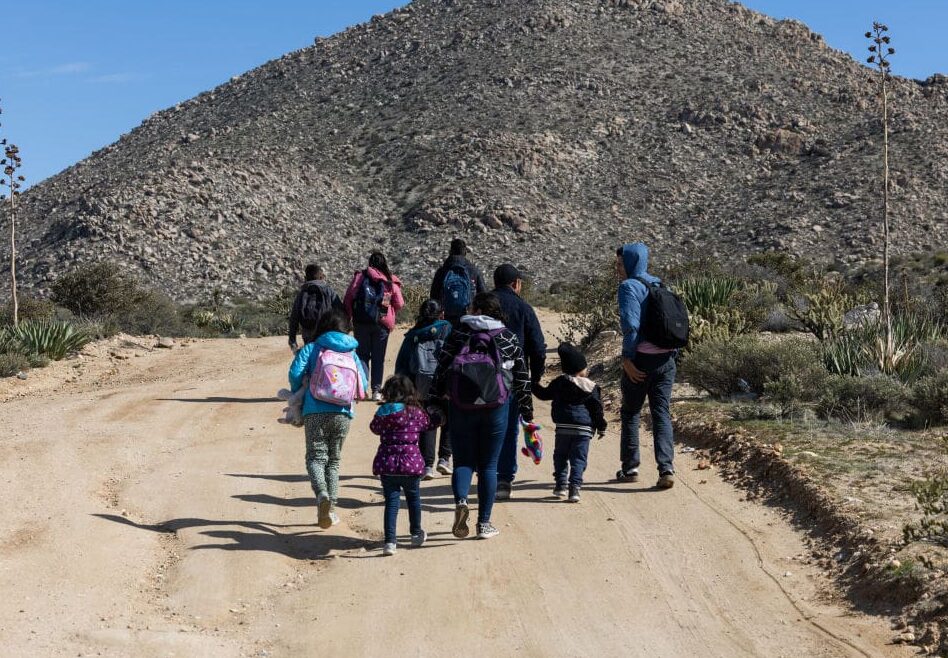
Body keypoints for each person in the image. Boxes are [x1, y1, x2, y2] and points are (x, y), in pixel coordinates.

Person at [428, 292, 533, 541]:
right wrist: (527, 411)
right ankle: (483, 523)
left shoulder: (460, 333)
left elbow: (442, 367)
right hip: (496, 408)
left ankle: (462, 501)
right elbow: (521, 376)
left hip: (461, 406)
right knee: (489, 465)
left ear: (476, 309)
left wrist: (434, 400)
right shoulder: (508, 337)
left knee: (463, 461)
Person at [288, 309, 369, 528]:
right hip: (343, 412)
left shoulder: (313, 347)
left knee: (315, 457)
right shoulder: (352, 352)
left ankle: (321, 494)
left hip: (315, 410)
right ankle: (331, 509)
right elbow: (364, 382)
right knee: (333, 461)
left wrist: (299, 392)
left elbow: (295, 374)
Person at [616, 243, 677, 489]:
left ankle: (630, 468)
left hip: (641, 360)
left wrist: (627, 359)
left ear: (631, 263)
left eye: (620, 264)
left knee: (631, 411)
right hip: (666, 360)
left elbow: (631, 326)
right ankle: (666, 468)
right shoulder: (658, 283)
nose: (617, 269)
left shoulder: (628, 287)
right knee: (661, 412)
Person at [492, 263, 546, 501]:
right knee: (509, 427)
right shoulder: (524, 308)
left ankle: (480, 472)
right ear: (516, 284)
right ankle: (503, 479)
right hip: (513, 377)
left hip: (478, 375)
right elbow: (538, 348)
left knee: (483, 425)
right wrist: (534, 379)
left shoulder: (480, 304)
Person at [534, 343, 607, 503]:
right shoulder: (591, 386)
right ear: (581, 369)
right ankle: (574, 489)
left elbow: (544, 394)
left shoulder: (560, 382)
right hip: (583, 430)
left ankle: (560, 485)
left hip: (563, 428)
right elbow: (597, 409)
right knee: (578, 459)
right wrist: (601, 426)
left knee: (560, 456)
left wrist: (533, 384)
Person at [370, 375, 433, 556]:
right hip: (411, 465)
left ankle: (390, 542)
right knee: (413, 500)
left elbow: (374, 428)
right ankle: (416, 533)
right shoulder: (415, 412)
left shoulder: (383, 412)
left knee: (391, 502)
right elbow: (427, 424)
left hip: (387, 464)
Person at [394, 299, 453, 480]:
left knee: (427, 421)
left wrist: (403, 389)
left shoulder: (413, 335)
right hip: (444, 384)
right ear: (440, 314)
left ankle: (427, 465)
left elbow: (402, 364)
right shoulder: (448, 329)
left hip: (420, 385)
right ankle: (444, 458)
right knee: (448, 419)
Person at [344, 251, 404, 400]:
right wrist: (389, 312)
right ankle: (376, 391)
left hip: (361, 322)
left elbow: (349, 297)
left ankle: (362, 389)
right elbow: (400, 303)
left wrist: (350, 317)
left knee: (362, 355)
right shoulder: (389, 280)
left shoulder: (360, 276)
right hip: (382, 324)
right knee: (378, 358)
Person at [429, 238, 487, 326]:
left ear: (450, 251)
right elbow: (484, 295)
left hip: (446, 317)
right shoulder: (473, 270)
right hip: (468, 316)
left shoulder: (442, 271)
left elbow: (433, 295)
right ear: (465, 252)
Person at [288, 263, 344, 352]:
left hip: (308, 333)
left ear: (306, 278)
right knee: (325, 360)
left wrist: (292, 340)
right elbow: (341, 312)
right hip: (326, 333)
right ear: (321, 277)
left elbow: (294, 318)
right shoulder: (329, 291)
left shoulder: (302, 293)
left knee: (311, 359)